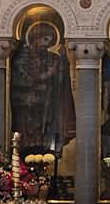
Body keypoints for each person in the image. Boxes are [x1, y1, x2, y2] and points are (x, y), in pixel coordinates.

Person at [10, 21, 76, 155]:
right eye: (45, 39)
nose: (46, 45)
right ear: (35, 37)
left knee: (45, 138)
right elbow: (22, 79)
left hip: (47, 105)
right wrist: (47, 75)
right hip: (27, 106)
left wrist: (63, 60)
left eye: (50, 42)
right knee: (29, 141)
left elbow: (61, 80)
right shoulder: (22, 57)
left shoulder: (52, 57)